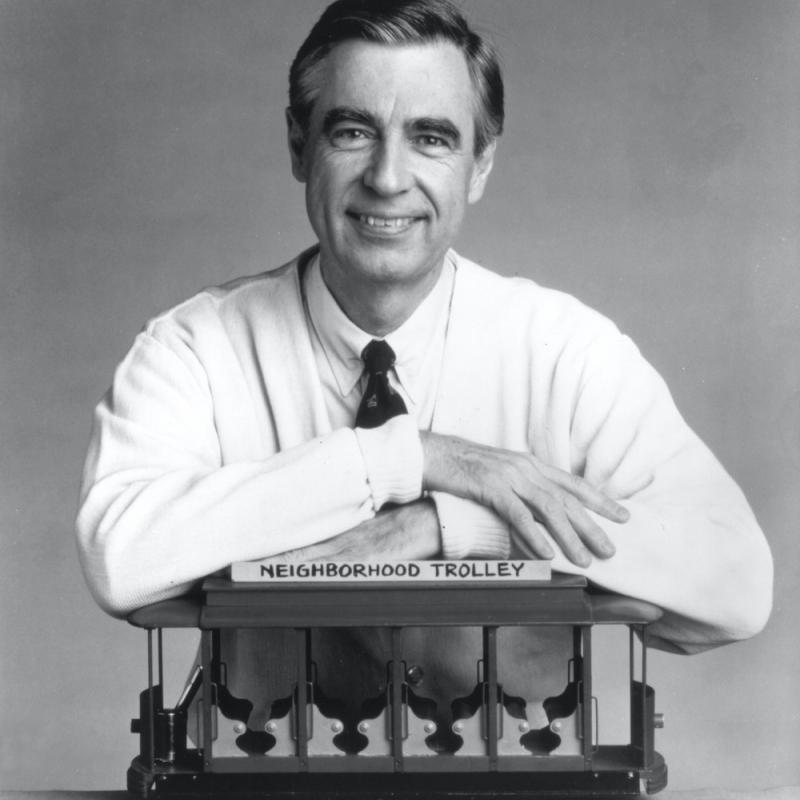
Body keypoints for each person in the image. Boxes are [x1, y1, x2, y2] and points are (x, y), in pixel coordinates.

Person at [76, 0, 772, 743]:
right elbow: (120, 558)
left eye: (431, 138)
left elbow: (736, 582)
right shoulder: (195, 349)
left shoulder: (562, 347)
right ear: (297, 146)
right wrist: (411, 457)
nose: (387, 177)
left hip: (522, 793)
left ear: (480, 165)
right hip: (269, 788)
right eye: (352, 132)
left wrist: (459, 525)